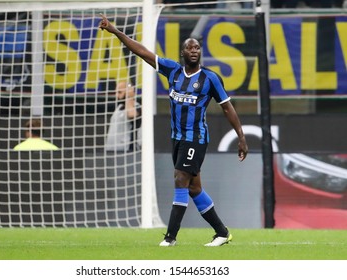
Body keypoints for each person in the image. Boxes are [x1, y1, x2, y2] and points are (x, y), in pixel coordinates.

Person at [99, 14, 248, 247]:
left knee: (180, 180)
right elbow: (142, 52)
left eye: (197, 47)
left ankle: (170, 238)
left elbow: (227, 107)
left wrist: (241, 137)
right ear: (183, 53)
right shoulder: (173, 71)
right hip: (177, 138)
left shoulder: (210, 78)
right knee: (194, 188)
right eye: (189, 48)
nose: (194, 51)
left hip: (196, 138)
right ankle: (221, 232)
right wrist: (115, 31)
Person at [105, 81, 142, 152]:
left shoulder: (137, 107)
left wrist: (129, 97)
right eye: (116, 92)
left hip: (127, 151)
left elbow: (132, 115)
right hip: (111, 149)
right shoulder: (119, 108)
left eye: (119, 92)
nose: (116, 95)